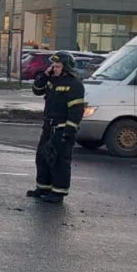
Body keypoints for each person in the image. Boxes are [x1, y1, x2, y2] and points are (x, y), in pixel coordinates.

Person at [27, 51, 85, 203]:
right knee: (42, 158)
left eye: (57, 66)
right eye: (53, 65)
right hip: (48, 128)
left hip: (61, 129)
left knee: (59, 162)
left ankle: (58, 192)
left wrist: (69, 132)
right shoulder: (53, 80)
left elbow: (76, 111)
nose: (54, 68)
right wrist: (46, 74)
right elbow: (36, 90)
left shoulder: (74, 85)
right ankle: (43, 188)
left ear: (66, 68)